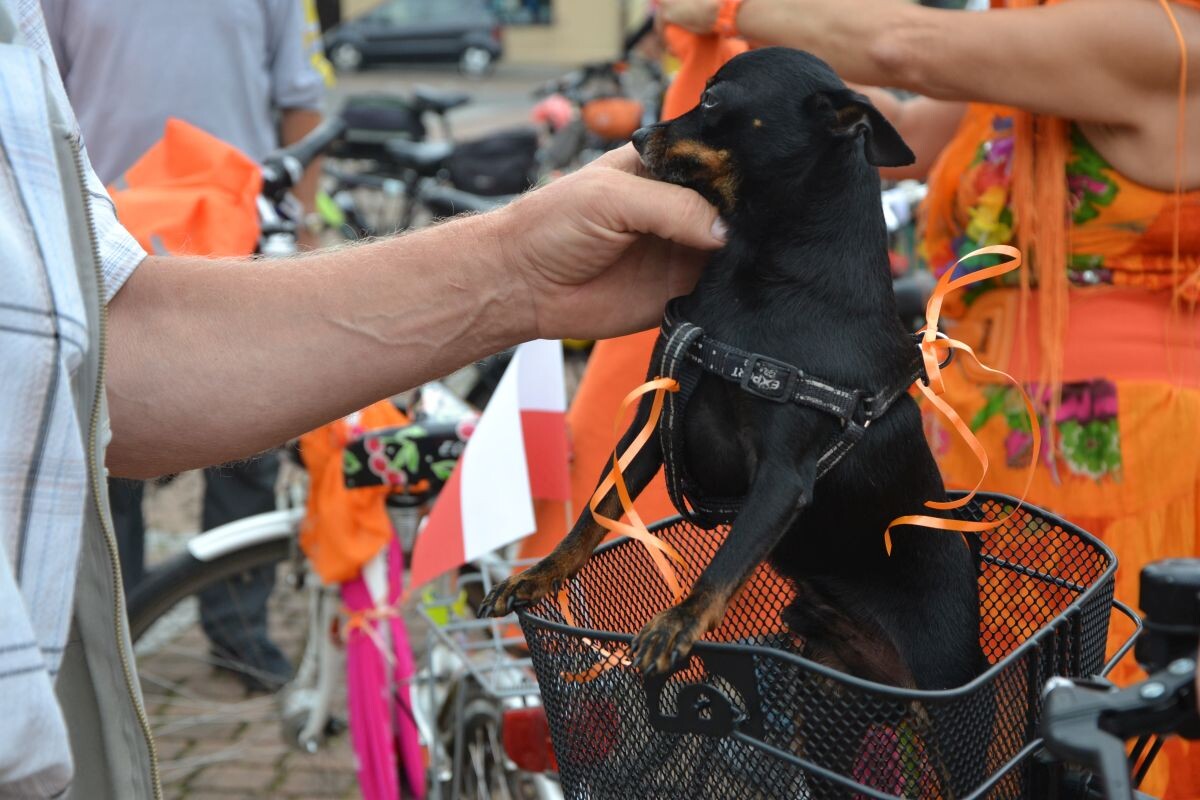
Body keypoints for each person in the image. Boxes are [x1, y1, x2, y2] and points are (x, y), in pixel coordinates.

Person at [0, 1, 725, 796]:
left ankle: (239, 636)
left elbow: (107, 350)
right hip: (137, 206)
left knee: (213, 479)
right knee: (112, 503)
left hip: (229, 224)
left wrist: (518, 268)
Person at [648, 0, 1199, 795]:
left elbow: (906, 46)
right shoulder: (1028, 52)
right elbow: (891, 125)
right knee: (977, 731)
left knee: (1079, 732)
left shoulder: (1161, 32)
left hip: (1122, 458)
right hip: (984, 454)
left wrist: (730, 7)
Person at [42, 0, 332, 690]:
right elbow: (35, 93)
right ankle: (117, 637)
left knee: (249, 442)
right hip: (107, 242)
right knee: (111, 451)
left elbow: (300, 101)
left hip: (240, 240)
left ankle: (239, 635)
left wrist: (307, 220)